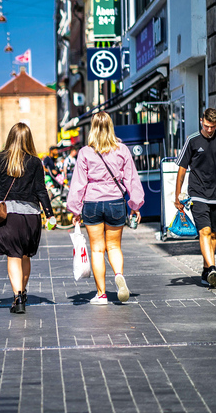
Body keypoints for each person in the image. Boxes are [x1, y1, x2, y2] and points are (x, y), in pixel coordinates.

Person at [67, 112, 144, 305]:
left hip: (92, 204)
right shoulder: (122, 150)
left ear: (92, 128)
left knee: (98, 250)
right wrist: (135, 205)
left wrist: (75, 210)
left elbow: (78, 184)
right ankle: (119, 275)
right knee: (114, 246)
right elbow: (131, 179)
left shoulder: (85, 152)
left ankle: (101, 295)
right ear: (111, 126)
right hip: (116, 202)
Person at [0, 123, 55, 314]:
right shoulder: (35, 161)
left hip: (9, 215)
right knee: (25, 255)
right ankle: (22, 292)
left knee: (13, 255)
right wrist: (50, 214)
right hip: (31, 216)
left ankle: (18, 296)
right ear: (28, 139)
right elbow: (41, 189)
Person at [175, 108, 216, 287]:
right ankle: (212, 268)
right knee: (204, 231)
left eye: (213, 126)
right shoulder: (192, 140)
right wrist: (178, 195)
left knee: (214, 234)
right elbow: (182, 169)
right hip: (198, 193)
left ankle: (205, 271)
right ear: (202, 120)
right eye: (207, 125)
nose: (209, 130)